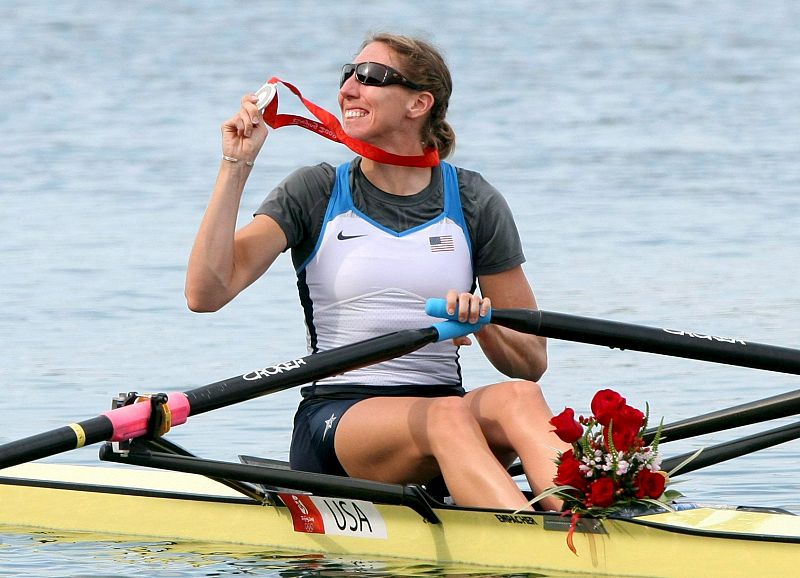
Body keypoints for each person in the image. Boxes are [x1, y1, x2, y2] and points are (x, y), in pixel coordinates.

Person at [185, 32, 567, 511]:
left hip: (445, 409)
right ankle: (540, 544)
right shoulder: (316, 191)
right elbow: (206, 293)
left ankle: (592, 520)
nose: (347, 88)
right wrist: (235, 165)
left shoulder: (473, 201)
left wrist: (484, 325)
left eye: (370, 77)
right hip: (340, 419)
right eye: (348, 75)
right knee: (446, 417)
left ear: (419, 104)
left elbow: (530, 362)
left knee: (518, 398)